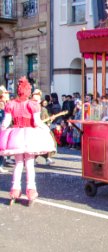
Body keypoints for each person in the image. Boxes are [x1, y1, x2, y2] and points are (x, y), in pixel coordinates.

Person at [0, 77, 56, 206]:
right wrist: (46, 128)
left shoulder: (11, 104)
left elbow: (5, 123)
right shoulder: (32, 104)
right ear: (28, 91)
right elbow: (37, 122)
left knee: (18, 163)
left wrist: (3, 131)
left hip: (16, 135)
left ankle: (15, 189)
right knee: (30, 164)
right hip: (30, 135)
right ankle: (31, 189)